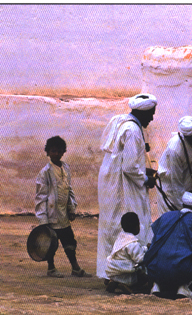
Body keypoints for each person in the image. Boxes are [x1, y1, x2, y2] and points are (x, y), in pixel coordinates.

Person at [97, 93, 157, 280]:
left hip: (113, 181)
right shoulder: (132, 130)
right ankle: (123, 274)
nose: (152, 118)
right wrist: (147, 179)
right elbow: (130, 167)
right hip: (122, 186)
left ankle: (112, 273)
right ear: (143, 112)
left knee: (114, 224)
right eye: (151, 114)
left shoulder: (122, 122)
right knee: (128, 225)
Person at [142, 190, 192, 300]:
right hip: (182, 271)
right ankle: (183, 287)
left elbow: (155, 240)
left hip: (154, 269)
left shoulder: (166, 215)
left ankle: (156, 286)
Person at [35, 136, 91, 278]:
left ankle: (76, 268)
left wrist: (72, 209)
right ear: (48, 152)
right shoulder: (45, 173)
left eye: (60, 151)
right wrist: (43, 220)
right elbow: (41, 197)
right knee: (51, 243)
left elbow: (69, 189)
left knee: (69, 241)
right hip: (51, 215)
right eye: (53, 151)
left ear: (63, 152)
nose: (57, 154)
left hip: (63, 214)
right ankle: (51, 268)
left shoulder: (66, 168)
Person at [156, 116, 192, 214]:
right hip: (170, 191)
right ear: (185, 136)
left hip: (189, 188)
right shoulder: (175, 149)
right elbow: (176, 186)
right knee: (173, 220)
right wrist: (186, 210)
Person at [105, 212, 149, 294]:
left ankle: (115, 282)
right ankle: (129, 286)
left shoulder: (121, 239)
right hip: (128, 275)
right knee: (146, 275)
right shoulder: (133, 243)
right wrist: (149, 252)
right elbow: (140, 259)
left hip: (116, 272)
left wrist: (146, 248)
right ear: (136, 227)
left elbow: (134, 251)